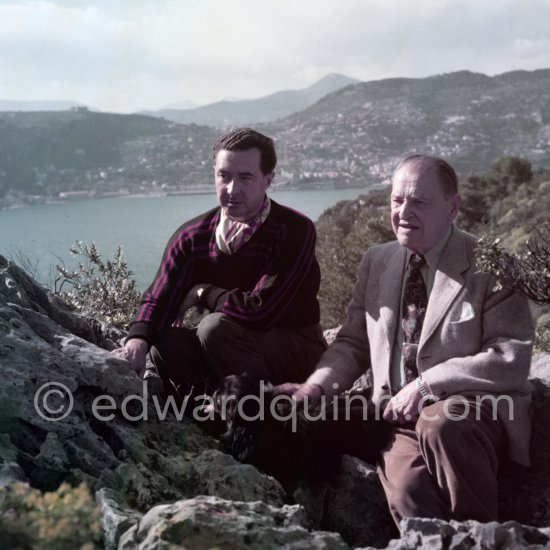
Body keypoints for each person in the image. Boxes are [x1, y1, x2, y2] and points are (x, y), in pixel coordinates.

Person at [277, 154, 535, 525]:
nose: (404, 211)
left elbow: (509, 357)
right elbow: (352, 343)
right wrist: (315, 388)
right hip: (397, 419)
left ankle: (480, 537)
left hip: (473, 414)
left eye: (419, 201)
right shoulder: (377, 261)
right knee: (409, 492)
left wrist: (428, 385)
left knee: (440, 423)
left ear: (453, 207)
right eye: (397, 200)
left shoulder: (488, 264)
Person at [113, 128, 326, 402]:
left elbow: (260, 311)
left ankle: (261, 422)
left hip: (295, 350)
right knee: (163, 342)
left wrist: (203, 292)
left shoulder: (294, 230)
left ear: (268, 179)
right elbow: (159, 296)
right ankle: (207, 413)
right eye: (224, 176)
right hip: (231, 351)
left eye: (245, 177)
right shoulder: (193, 236)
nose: (232, 189)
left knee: (213, 328)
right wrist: (137, 339)